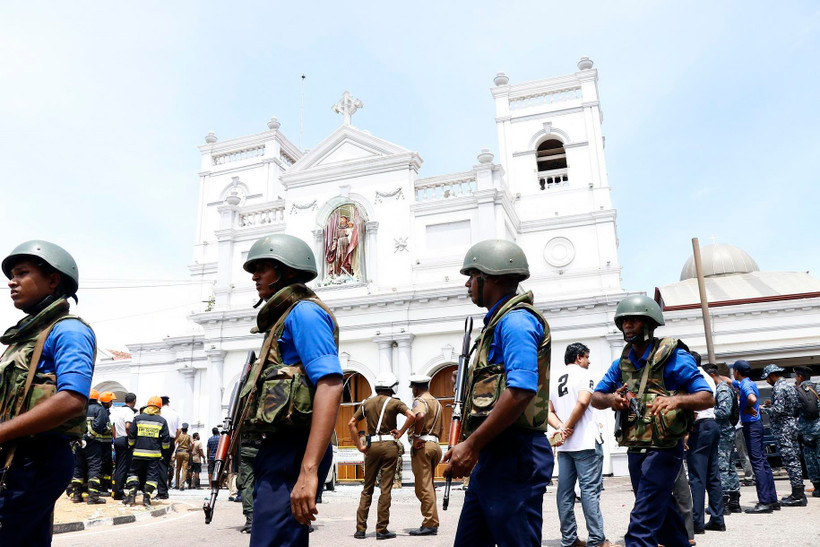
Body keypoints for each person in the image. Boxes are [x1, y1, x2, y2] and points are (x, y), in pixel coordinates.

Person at [443, 239, 552, 547]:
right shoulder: (497, 323)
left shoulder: (516, 321)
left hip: (515, 454)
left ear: (490, 277)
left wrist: (470, 445)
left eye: (472, 275)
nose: (467, 283)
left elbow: (521, 390)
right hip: (494, 453)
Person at [238, 234, 343, 546]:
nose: (255, 275)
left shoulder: (304, 313)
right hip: (278, 449)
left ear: (288, 271)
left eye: (263, 267)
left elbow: (331, 384)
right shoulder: (284, 318)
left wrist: (308, 471)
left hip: (294, 450)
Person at [591, 295, 714, 547]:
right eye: (624, 321)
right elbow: (596, 398)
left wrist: (676, 401)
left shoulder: (673, 357)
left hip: (665, 449)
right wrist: (613, 399)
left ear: (649, 324)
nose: (627, 325)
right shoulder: (622, 363)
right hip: (636, 447)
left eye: (634, 320)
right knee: (660, 506)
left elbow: (707, 398)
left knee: (643, 519)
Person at [0, 240, 96, 544]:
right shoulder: (25, 337)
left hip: (35, 459)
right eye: (10, 276)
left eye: (22, 273)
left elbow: (71, 399)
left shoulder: (69, 330)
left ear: (53, 279)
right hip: (16, 458)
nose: (12, 282)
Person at [548, 343, 618, 547]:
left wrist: (561, 428)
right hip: (585, 441)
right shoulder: (584, 374)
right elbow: (583, 402)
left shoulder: (555, 379)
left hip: (565, 446)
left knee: (565, 493)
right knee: (589, 492)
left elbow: (548, 411)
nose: (589, 361)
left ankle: (569, 539)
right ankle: (597, 540)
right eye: (587, 357)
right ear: (579, 357)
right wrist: (568, 427)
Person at [349, 372, 416, 540]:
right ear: (392, 387)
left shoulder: (366, 403)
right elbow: (412, 415)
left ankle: (360, 529)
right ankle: (381, 529)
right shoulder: (395, 402)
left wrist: (359, 445)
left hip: (371, 446)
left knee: (367, 488)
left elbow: (351, 423)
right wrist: (400, 432)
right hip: (388, 446)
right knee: (385, 488)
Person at [731, 360, 779, 513]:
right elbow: (730, 382)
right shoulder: (748, 382)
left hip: (751, 427)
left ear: (737, 371)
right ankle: (772, 500)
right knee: (763, 462)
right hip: (757, 425)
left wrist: (746, 408)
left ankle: (764, 502)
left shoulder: (745, 385)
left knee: (757, 463)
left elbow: (751, 399)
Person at [686, 353, 725, 533]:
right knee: (712, 475)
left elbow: (694, 407)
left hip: (699, 426)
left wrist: (686, 432)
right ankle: (717, 519)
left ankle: (697, 523)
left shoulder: (694, 376)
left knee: (697, 477)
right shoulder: (708, 377)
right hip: (712, 424)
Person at [761, 364, 806, 507]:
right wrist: (772, 405)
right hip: (792, 426)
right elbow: (794, 407)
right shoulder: (789, 387)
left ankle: (798, 495)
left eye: (767, 378)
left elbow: (779, 410)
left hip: (783, 429)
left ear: (772, 375)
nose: (767, 381)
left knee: (790, 461)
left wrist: (764, 409)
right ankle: (798, 492)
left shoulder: (779, 388)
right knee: (795, 460)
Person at [702, 364, 742, 514]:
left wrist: (707, 410)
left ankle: (724, 502)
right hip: (725, 432)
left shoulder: (723, 389)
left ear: (711, 376)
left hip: (723, 433)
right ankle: (734, 500)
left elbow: (724, 412)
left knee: (723, 466)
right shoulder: (723, 388)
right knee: (730, 466)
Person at [406, 374, 443, 537]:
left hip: (423, 445)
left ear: (416, 388)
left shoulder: (420, 401)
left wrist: (416, 437)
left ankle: (429, 523)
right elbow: (441, 428)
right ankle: (432, 520)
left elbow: (419, 416)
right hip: (435, 445)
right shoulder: (437, 402)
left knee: (423, 487)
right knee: (429, 485)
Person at [125, 396, 171, 506]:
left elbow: (131, 435)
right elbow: (166, 440)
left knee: (133, 474)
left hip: (138, 453)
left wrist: (131, 446)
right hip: (154, 455)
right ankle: (146, 498)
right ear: (159, 408)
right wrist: (164, 453)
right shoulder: (162, 421)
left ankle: (131, 496)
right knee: (152, 477)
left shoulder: (138, 418)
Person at [793, 366, 820, 497]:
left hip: (806, 431)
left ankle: (818, 487)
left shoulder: (798, 391)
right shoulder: (818, 388)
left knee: (810, 460)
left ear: (799, 377)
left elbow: (794, 411)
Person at [111, 392, 137, 499]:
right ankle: (119, 492)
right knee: (123, 466)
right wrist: (130, 438)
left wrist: (116, 438)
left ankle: (116, 489)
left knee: (118, 466)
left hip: (117, 439)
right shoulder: (129, 412)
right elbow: (128, 426)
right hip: (125, 440)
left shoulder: (118, 411)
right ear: (134, 401)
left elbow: (113, 426)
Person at [237, 433, 263, 533]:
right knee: (269, 481)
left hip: (245, 449)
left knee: (247, 484)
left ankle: (250, 520)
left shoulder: (239, 417)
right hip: (263, 449)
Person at [158, 395, 180, 498]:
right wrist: (175, 440)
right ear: (168, 403)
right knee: (165, 465)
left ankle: (162, 491)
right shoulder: (175, 413)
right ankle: (163, 489)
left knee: (160, 466)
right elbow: (178, 429)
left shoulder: (159, 412)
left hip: (160, 439)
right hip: (171, 440)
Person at [174, 422, 192, 490]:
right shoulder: (189, 436)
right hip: (186, 452)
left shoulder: (179, 436)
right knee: (184, 470)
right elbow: (192, 443)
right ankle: (182, 485)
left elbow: (175, 443)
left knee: (178, 469)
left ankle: (176, 484)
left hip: (179, 452)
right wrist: (190, 449)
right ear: (187, 429)